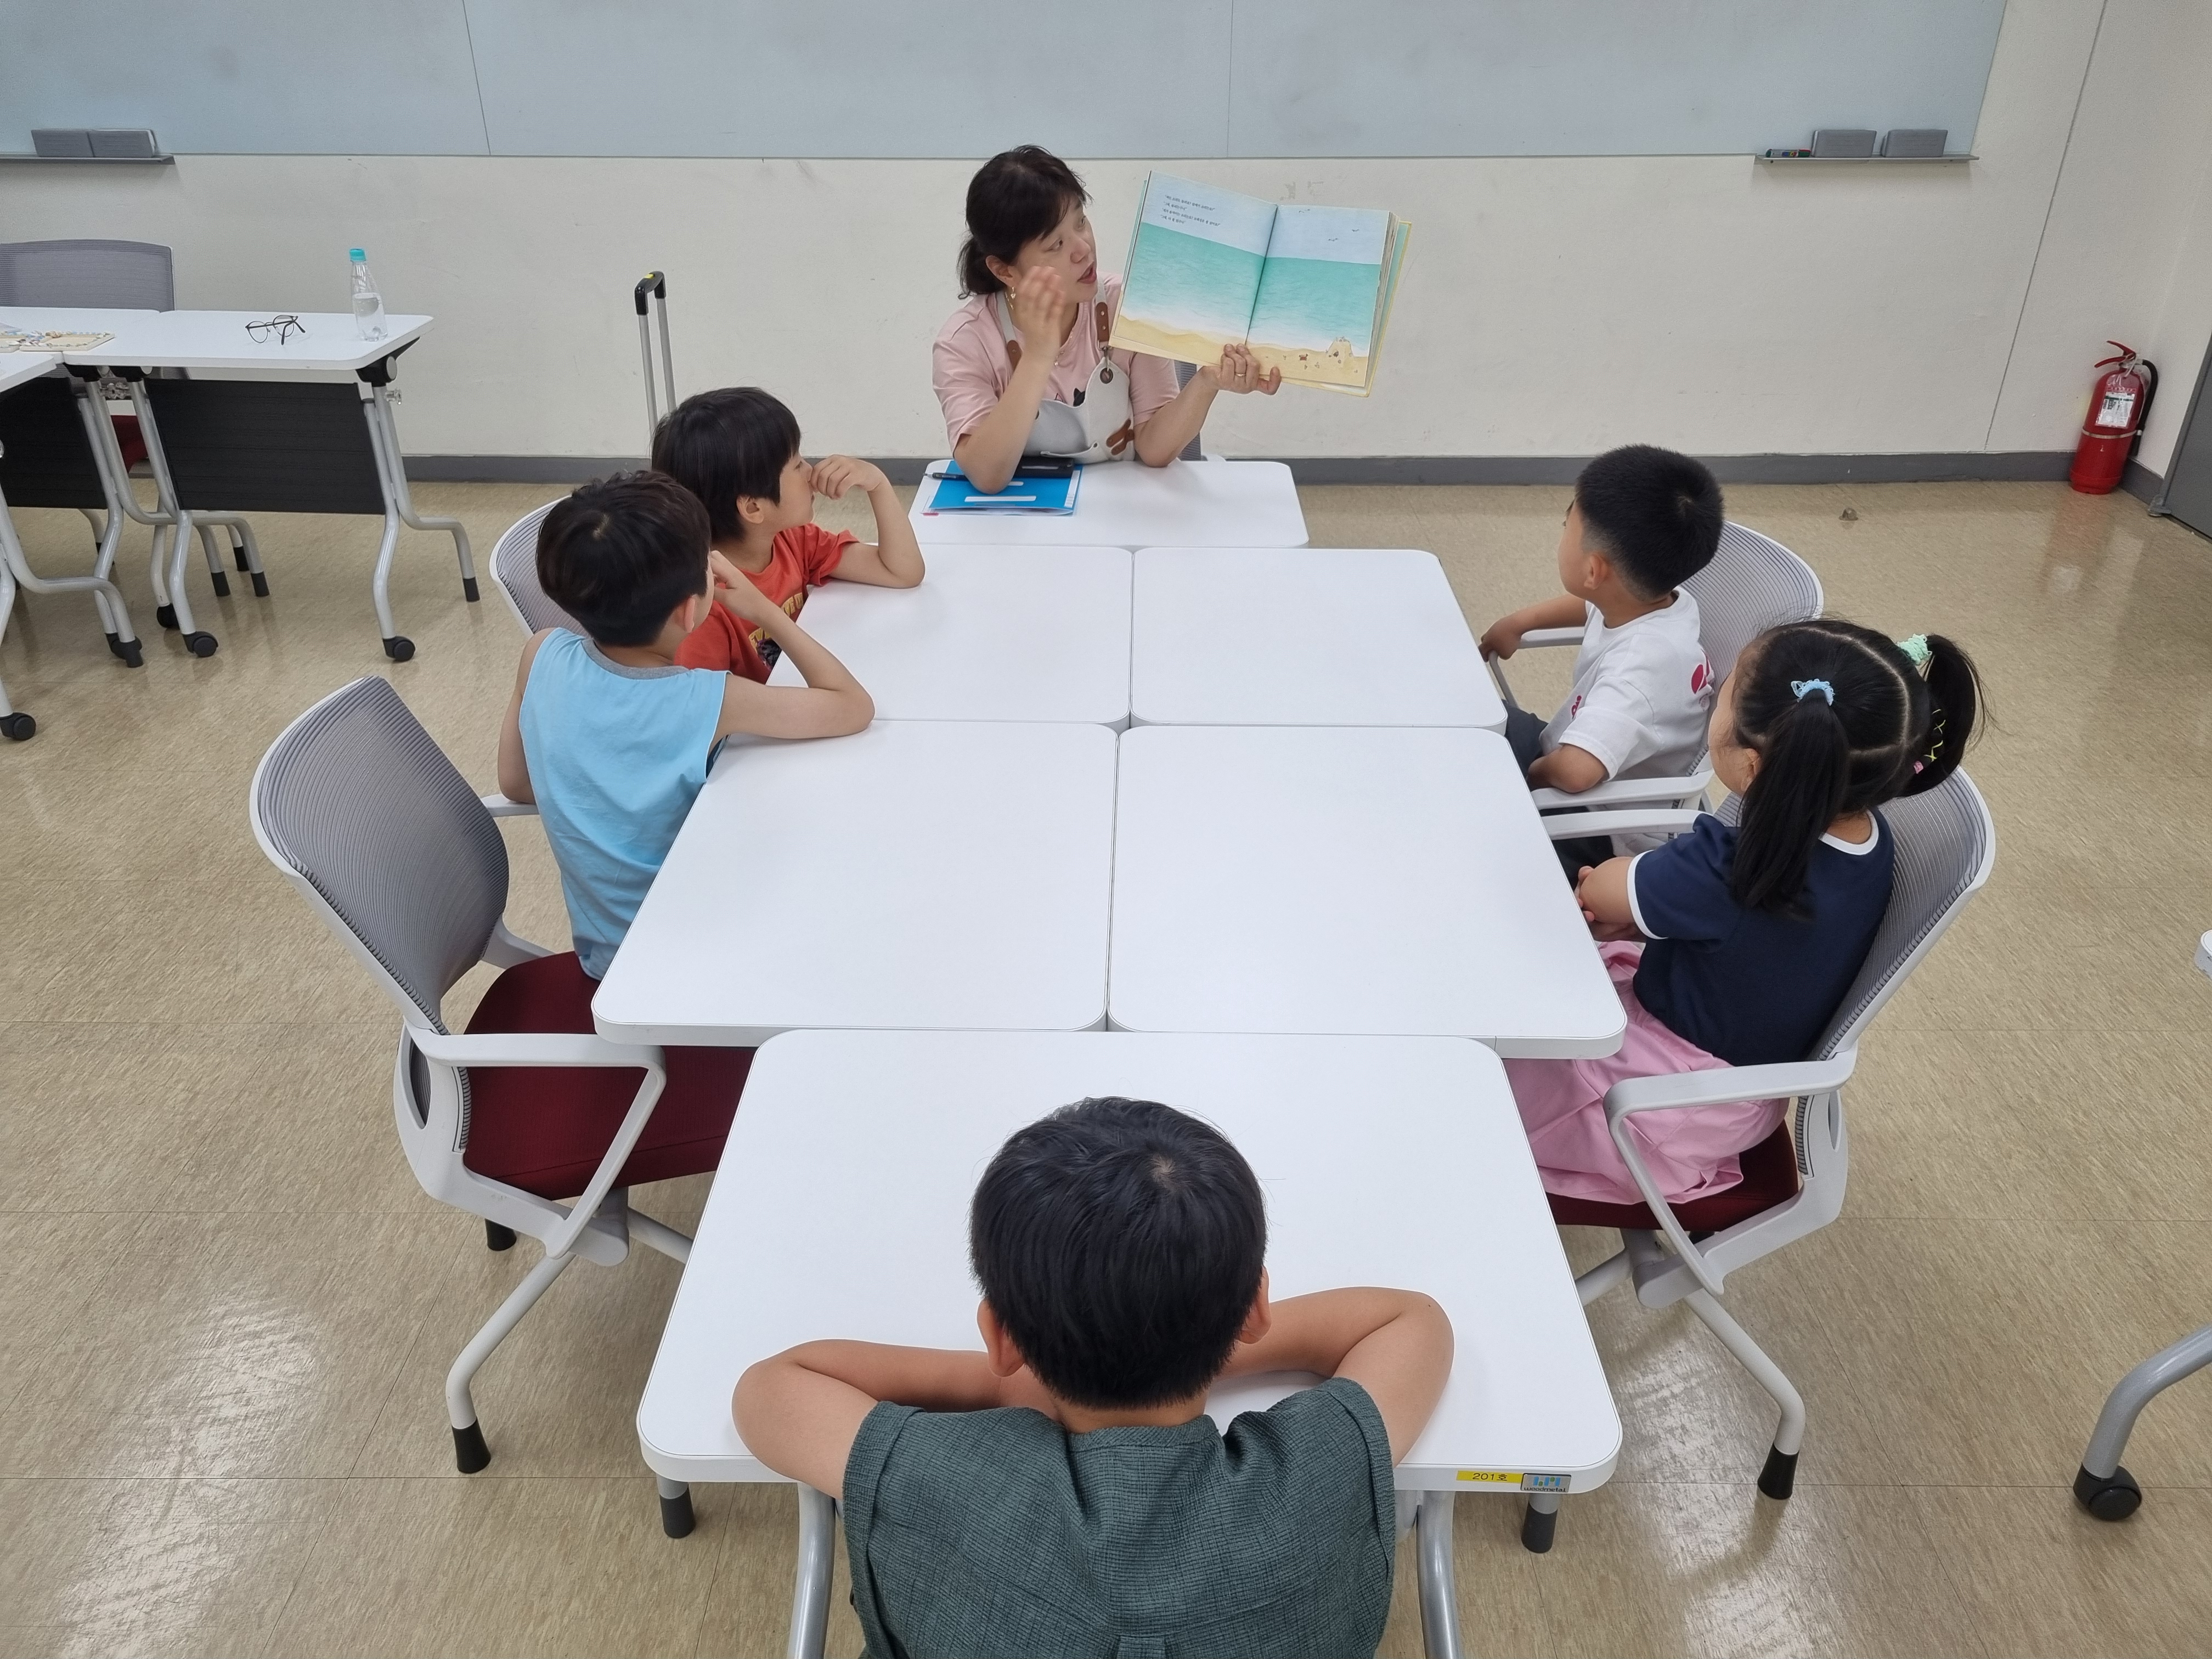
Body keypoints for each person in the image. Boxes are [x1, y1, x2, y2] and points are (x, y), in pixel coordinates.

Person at [735, 1097, 1453, 1659]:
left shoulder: (942, 1479)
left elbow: (772, 1388)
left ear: (1001, 1338)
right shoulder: (1318, 1477)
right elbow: (1413, 1323)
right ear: (1256, 1309)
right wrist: (1197, 1329)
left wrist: (1012, 1377)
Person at [1507, 620, 1983, 1207]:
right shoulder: (1868, 838)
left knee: (1481, 1052)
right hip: (1735, 1093)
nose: (1716, 695)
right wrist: (1650, 907)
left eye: (1726, 693)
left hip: (1652, 1104)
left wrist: (1622, 892)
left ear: (1752, 767)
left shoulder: (1730, 866)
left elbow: (1603, 891)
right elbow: (1752, 939)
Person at [496, 470, 872, 979]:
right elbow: (851, 706)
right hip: (705, 957)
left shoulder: (540, 653)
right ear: (690, 609)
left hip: (607, 958)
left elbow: (517, 785)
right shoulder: (710, 698)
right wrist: (766, 611)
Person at [934, 145, 1283, 495]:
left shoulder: (1123, 305)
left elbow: (1154, 449)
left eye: (1081, 222)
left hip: (1123, 507)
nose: (1083, 249)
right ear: (1005, 270)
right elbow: (987, 476)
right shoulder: (966, 342)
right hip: (1023, 520)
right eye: (1056, 244)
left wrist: (1207, 382)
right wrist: (1038, 355)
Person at [1479, 445, 1724, 870]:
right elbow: (1592, 605)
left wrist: (1527, 772)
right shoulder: (1659, 602)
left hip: (1599, 825)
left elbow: (1576, 772)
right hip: (1579, 754)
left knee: (1466, 794)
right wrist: (1523, 621)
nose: (1562, 533)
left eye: (1565, 526)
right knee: (1467, 719)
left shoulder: (1638, 671)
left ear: (1593, 571)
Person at [651, 386, 924, 681]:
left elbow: (902, 572)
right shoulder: (706, 607)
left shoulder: (791, 540)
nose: (811, 472)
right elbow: (705, 701)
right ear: (753, 507)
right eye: (797, 465)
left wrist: (877, 484)